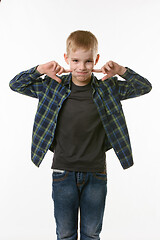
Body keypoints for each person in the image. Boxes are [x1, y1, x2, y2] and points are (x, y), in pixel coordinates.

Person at [9, 30, 152, 240]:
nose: (81, 67)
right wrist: (40, 69)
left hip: (96, 173)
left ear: (97, 60)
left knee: (91, 234)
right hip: (62, 173)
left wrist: (121, 70)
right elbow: (15, 84)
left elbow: (144, 87)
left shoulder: (107, 89)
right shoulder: (52, 86)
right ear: (66, 59)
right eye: (75, 60)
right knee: (65, 234)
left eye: (88, 61)